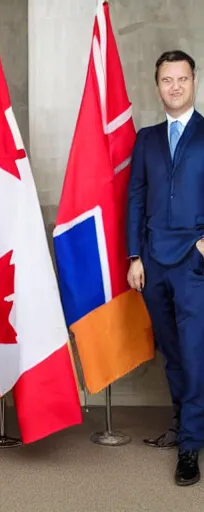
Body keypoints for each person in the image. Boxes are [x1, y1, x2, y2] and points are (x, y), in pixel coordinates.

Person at [126, 49, 204, 487]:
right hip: (153, 261)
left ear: (194, 82)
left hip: (194, 261)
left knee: (195, 353)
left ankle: (190, 445)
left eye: (182, 79)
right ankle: (185, 424)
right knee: (172, 352)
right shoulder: (147, 138)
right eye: (166, 80)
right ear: (157, 86)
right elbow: (135, 196)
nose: (174, 87)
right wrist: (134, 257)